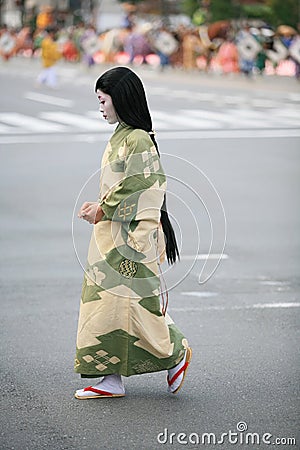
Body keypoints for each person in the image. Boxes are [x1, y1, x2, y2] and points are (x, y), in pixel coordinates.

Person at [74, 66, 192, 399]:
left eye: (102, 101)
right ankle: (110, 379)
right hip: (112, 238)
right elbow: (124, 186)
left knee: (134, 306)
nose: (100, 108)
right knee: (109, 307)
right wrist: (100, 206)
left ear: (120, 99)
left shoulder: (136, 138)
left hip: (130, 241)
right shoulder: (124, 134)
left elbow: (145, 188)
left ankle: (175, 352)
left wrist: (103, 209)